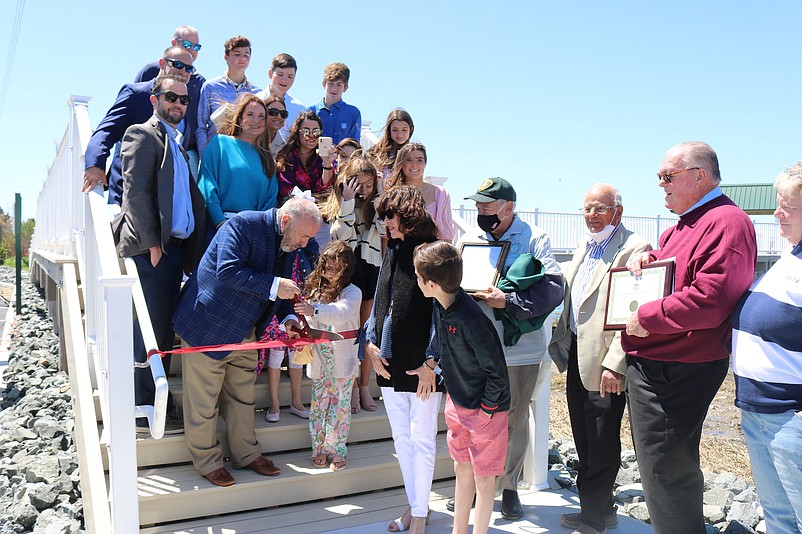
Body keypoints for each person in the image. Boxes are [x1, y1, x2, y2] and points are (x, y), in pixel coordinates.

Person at [622, 142, 757, 534]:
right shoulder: (685, 224)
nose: (660, 185)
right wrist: (649, 260)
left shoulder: (727, 221)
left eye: (667, 176)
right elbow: (676, 277)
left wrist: (643, 314)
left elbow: (712, 300)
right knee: (660, 470)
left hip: (678, 367)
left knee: (667, 472)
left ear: (699, 175)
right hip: (662, 362)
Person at [172, 198, 322, 487]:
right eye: (304, 236)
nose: (305, 244)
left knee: (244, 398)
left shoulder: (289, 241)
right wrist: (276, 286)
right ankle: (208, 462)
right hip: (207, 325)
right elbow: (227, 271)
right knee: (203, 403)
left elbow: (279, 291)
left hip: (245, 331)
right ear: (287, 221)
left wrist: (288, 317)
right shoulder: (242, 224)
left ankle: (246, 454)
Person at [459, 177, 564, 520]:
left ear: (508, 208)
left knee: (514, 418)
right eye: (478, 206)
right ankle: (474, 485)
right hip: (475, 348)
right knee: (474, 416)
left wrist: (509, 300)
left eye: (487, 207)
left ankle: (509, 487)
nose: (480, 212)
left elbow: (553, 289)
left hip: (519, 350)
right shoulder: (470, 239)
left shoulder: (535, 238)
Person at [548, 184, 650, 534]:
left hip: (606, 360)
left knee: (602, 438)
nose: (592, 216)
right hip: (578, 351)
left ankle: (593, 519)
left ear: (617, 212)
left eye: (600, 209)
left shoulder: (634, 248)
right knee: (583, 435)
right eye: (587, 209)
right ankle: (601, 509)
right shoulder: (585, 245)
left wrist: (616, 364)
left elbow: (635, 313)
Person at [109, 74, 206, 434]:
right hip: (155, 251)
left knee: (162, 331)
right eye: (171, 97)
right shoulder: (141, 134)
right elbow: (133, 194)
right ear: (155, 99)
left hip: (175, 252)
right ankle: (139, 407)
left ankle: (155, 404)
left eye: (183, 100)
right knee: (146, 330)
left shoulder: (178, 145)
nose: (178, 104)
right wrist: (152, 245)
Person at [414, 241, 510, 534]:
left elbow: (497, 372)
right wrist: (430, 366)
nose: (417, 282)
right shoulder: (439, 306)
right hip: (457, 403)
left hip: (485, 411)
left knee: (484, 478)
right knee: (461, 469)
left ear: (431, 284)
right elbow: (443, 347)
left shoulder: (471, 318)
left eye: (418, 278)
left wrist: (486, 410)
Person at [363, 186, 442, 534]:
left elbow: (443, 313)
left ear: (408, 215)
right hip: (388, 361)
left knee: (421, 440)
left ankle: (420, 515)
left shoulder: (433, 253)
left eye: (390, 216)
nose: (386, 222)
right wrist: (368, 343)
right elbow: (381, 302)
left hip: (421, 366)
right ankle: (416, 507)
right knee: (402, 441)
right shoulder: (393, 249)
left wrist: (431, 364)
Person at [732, 163, 802, 534]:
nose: (776, 213)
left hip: (791, 418)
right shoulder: (791, 256)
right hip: (761, 414)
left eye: (787, 206)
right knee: (779, 519)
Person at [82, 46, 196, 201]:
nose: (183, 71)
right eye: (178, 65)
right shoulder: (136, 94)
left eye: (189, 68)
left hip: (170, 204)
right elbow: (106, 131)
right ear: (162, 63)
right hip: (129, 198)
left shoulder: (184, 106)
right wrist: (95, 164)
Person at [322, 153, 384, 413]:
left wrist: (380, 196)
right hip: (347, 271)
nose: (364, 190)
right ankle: (348, 387)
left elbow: (384, 229)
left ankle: (363, 386)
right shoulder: (342, 204)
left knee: (367, 332)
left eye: (369, 185)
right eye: (360, 184)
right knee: (347, 332)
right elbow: (343, 236)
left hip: (370, 269)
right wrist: (347, 201)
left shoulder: (378, 204)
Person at [293, 240, 362, 471]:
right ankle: (319, 448)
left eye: (335, 268)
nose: (329, 272)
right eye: (326, 267)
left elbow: (341, 314)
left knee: (340, 407)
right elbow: (310, 321)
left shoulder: (353, 293)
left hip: (342, 359)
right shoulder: (315, 291)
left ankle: (336, 450)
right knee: (319, 406)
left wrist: (315, 311)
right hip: (321, 359)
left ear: (346, 268)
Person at [197, 93, 278, 237]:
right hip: (218, 228)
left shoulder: (267, 157)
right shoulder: (219, 143)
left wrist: (256, 229)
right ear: (240, 118)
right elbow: (206, 185)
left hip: (252, 232)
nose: (256, 120)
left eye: (261, 116)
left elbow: (270, 199)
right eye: (250, 114)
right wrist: (220, 223)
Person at [134, 25, 206, 177]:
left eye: (196, 46)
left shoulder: (199, 82)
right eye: (187, 44)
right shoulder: (150, 71)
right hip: (152, 146)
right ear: (173, 43)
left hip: (185, 151)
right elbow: (134, 110)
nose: (192, 49)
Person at [197, 36, 260, 158]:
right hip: (216, 154)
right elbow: (201, 127)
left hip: (244, 156)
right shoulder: (210, 87)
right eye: (237, 54)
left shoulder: (256, 94)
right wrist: (204, 157)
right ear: (226, 57)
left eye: (246, 55)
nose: (242, 58)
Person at [385, 143, 455, 242]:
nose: (414, 165)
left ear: (425, 163)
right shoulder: (394, 194)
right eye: (409, 160)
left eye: (419, 160)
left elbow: (446, 236)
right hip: (400, 251)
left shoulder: (440, 194)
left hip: (429, 253)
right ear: (402, 163)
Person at [276, 111, 335, 201]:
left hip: (319, 211)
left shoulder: (324, 158)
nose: (311, 135)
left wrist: (327, 165)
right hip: (289, 209)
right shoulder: (286, 157)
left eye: (316, 131)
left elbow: (326, 192)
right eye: (306, 131)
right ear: (297, 132)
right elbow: (286, 190)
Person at [255, 53, 306, 140]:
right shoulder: (255, 101)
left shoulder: (299, 109)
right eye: (280, 74)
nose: (284, 80)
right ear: (270, 73)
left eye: (290, 76)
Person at [308, 62, 361, 144]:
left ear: (345, 87)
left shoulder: (353, 113)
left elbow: (355, 145)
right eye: (330, 84)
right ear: (323, 84)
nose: (334, 88)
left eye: (339, 85)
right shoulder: (311, 111)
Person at [367, 109, 414, 181]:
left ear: (410, 130)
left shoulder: (414, 154)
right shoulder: (375, 153)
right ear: (389, 130)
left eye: (404, 130)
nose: (399, 135)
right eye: (395, 130)